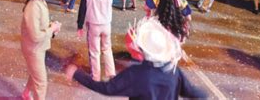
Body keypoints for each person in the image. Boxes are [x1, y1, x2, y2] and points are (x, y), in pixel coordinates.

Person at [66, 17, 207, 99]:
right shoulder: (174, 72)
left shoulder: (136, 74)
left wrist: (77, 74)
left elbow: (107, 89)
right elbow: (194, 93)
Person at [21, 0, 61, 100]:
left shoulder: (41, 2)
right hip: (34, 49)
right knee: (41, 82)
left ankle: (26, 94)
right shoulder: (33, 8)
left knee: (36, 74)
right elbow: (35, 36)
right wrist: (52, 29)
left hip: (38, 47)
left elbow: (41, 25)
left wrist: (52, 27)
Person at [77, 0, 116, 81]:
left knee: (94, 52)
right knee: (107, 49)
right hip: (106, 24)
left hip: (93, 25)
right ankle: (111, 73)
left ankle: (96, 77)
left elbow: (82, 11)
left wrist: (79, 26)